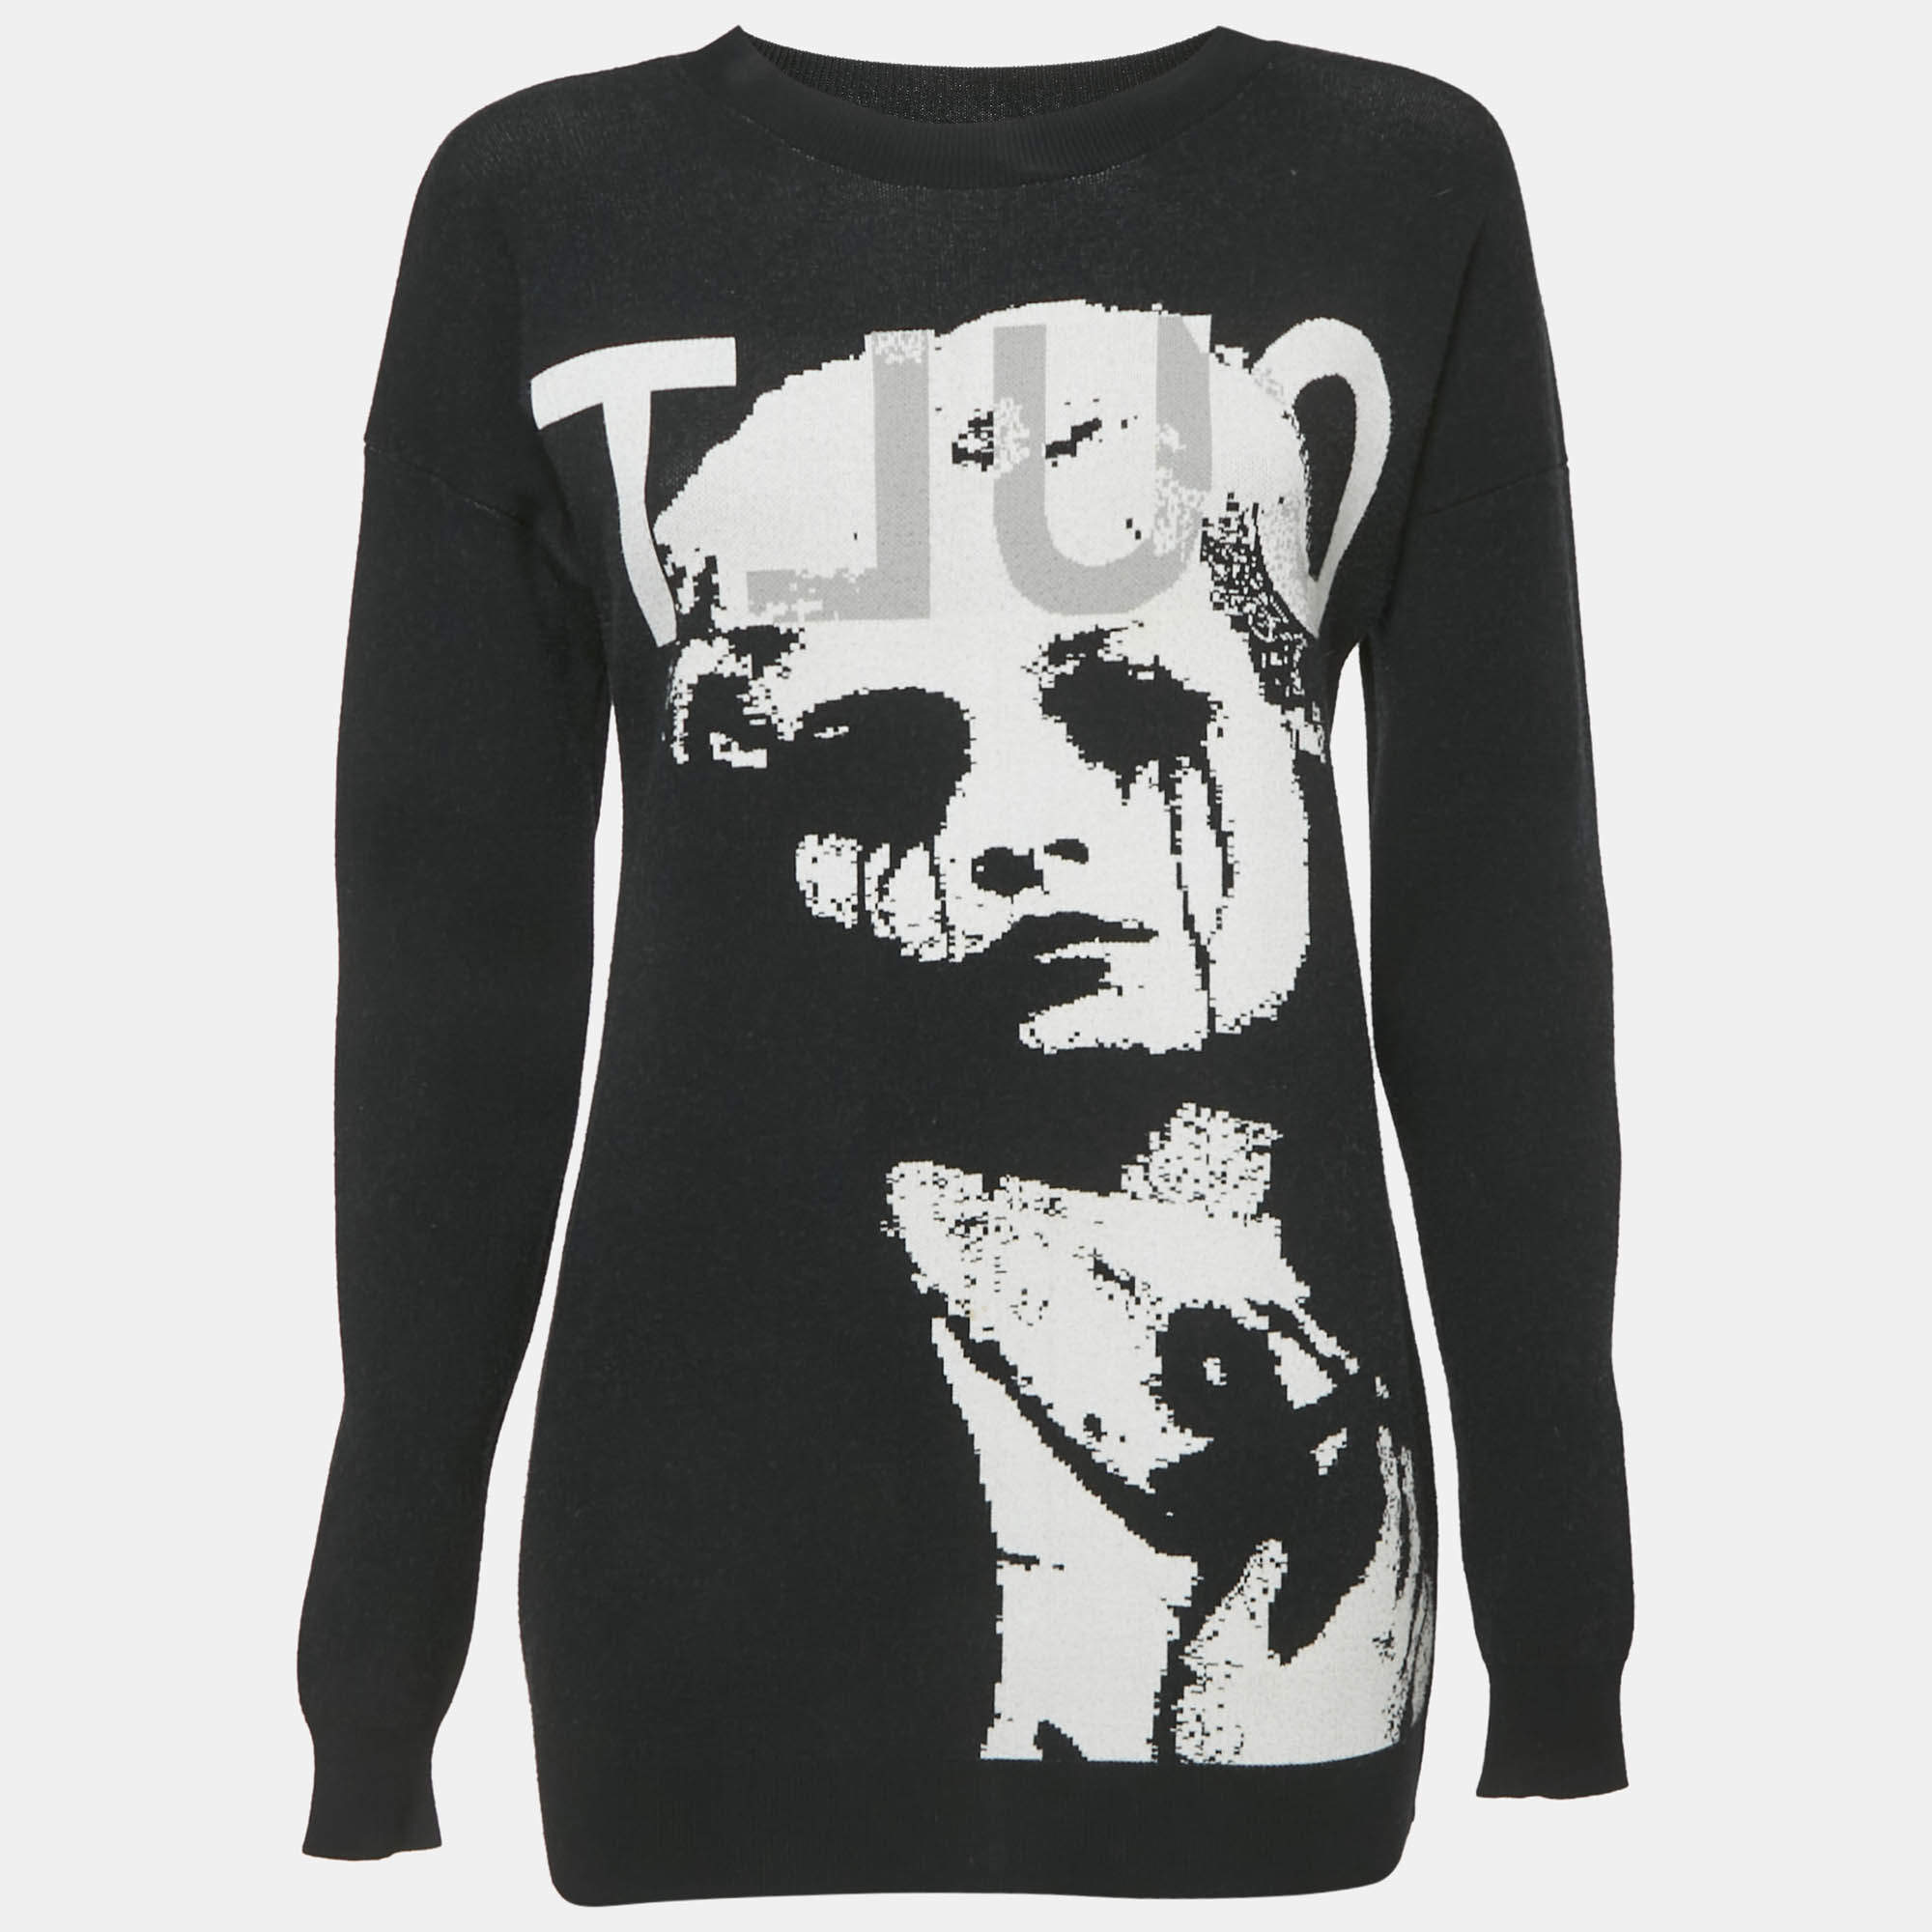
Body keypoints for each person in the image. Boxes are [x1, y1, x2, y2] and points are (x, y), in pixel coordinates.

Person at [641, 298, 1430, 1764]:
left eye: (1134, 720)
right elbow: (456, 982)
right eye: (875, 764)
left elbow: (1505, 953)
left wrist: (1563, 1656)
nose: (1011, 832)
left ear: (1293, 718)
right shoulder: (789, 1394)